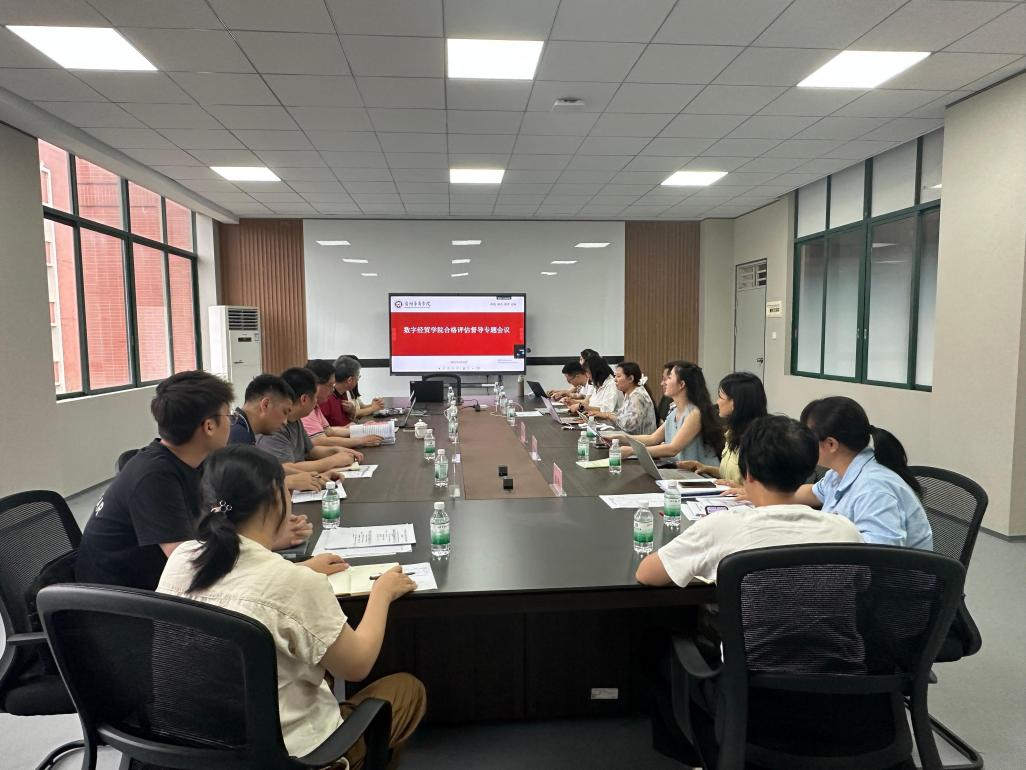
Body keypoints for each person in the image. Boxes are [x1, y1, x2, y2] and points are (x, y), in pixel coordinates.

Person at [158, 445, 425, 766]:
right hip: (291, 759)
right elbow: (356, 666)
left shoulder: (182, 558)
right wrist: (382, 592)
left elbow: (241, 582)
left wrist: (300, 568)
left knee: (314, 667)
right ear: (276, 499)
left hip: (192, 748)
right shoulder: (296, 585)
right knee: (408, 690)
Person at [75, 371, 309, 591]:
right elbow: (189, 567)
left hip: (154, 588)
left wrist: (263, 532)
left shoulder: (195, 462)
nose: (232, 423)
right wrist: (268, 546)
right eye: (229, 416)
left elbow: (213, 519)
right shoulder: (154, 477)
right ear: (209, 426)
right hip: (123, 605)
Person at [636, 415, 863, 588]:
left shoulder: (721, 527)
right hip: (834, 640)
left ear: (748, 474)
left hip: (745, 640)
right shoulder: (845, 532)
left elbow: (646, 574)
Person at [787, 397, 933, 549]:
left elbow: (882, 555)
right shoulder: (840, 472)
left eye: (809, 440)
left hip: (879, 564)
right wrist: (772, 493)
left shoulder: (873, 489)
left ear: (831, 444)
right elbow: (810, 493)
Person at [229, 373, 329, 493]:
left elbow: (265, 471)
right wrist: (288, 482)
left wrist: (313, 476)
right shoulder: (237, 434)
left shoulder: (245, 429)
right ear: (265, 405)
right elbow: (239, 489)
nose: (285, 422)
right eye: (284, 412)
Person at [257, 368, 361, 473]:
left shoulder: (296, 419)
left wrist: (335, 450)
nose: (316, 402)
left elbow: (311, 451)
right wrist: (333, 460)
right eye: (315, 397)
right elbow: (287, 469)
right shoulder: (273, 426)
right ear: (304, 399)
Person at [621, 361, 723, 466]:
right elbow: (653, 438)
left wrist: (632, 451)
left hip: (700, 474)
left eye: (669, 378)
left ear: (682, 384)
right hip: (682, 471)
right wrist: (620, 437)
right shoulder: (675, 412)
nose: (663, 383)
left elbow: (673, 449)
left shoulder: (694, 414)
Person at [678, 372, 767, 486]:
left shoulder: (760, 439)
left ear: (735, 402)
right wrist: (706, 468)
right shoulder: (733, 432)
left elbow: (768, 487)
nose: (717, 402)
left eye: (720, 397)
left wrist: (743, 490)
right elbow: (733, 475)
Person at [302, 359, 384, 450]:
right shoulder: (306, 410)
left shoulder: (315, 406)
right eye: (330, 385)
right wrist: (361, 440)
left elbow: (329, 431)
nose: (332, 390)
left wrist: (362, 429)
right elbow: (319, 440)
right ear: (315, 385)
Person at [584, 361, 655, 434]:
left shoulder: (637, 396)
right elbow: (621, 416)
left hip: (638, 439)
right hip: (629, 437)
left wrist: (607, 415)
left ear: (630, 378)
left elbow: (628, 425)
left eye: (618, 376)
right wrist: (601, 415)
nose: (615, 380)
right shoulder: (629, 393)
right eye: (615, 376)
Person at [321, 356, 384, 428]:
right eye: (358, 377)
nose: (358, 380)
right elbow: (325, 431)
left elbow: (347, 420)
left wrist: (353, 412)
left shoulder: (343, 393)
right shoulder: (326, 399)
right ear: (350, 380)